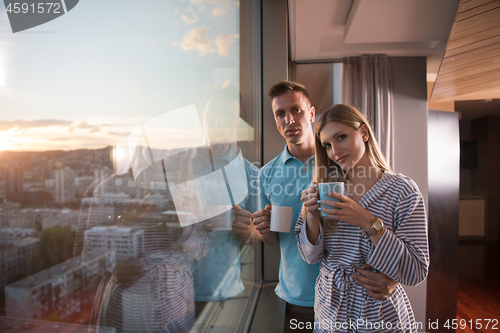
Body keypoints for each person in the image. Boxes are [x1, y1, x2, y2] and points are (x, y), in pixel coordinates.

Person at [253, 81, 398, 332]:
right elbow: (274, 240)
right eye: (280, 114)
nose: (289, 119)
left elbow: (380, 228)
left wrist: (395, 275)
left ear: (311, 113)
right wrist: (264, 231)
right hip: (297, 296)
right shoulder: (266, 175)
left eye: (296, 110)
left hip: (355, 297)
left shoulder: (343, 164)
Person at [295, 104, 429, 332]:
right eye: (327, 145)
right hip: (329, 319)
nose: (335, 151)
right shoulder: (322, 188)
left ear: (364, 133)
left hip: (379, 321)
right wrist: (313, 217)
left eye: (342, 137)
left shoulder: (403, 191)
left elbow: (415, 270)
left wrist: (368, 222)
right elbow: (309, 257)